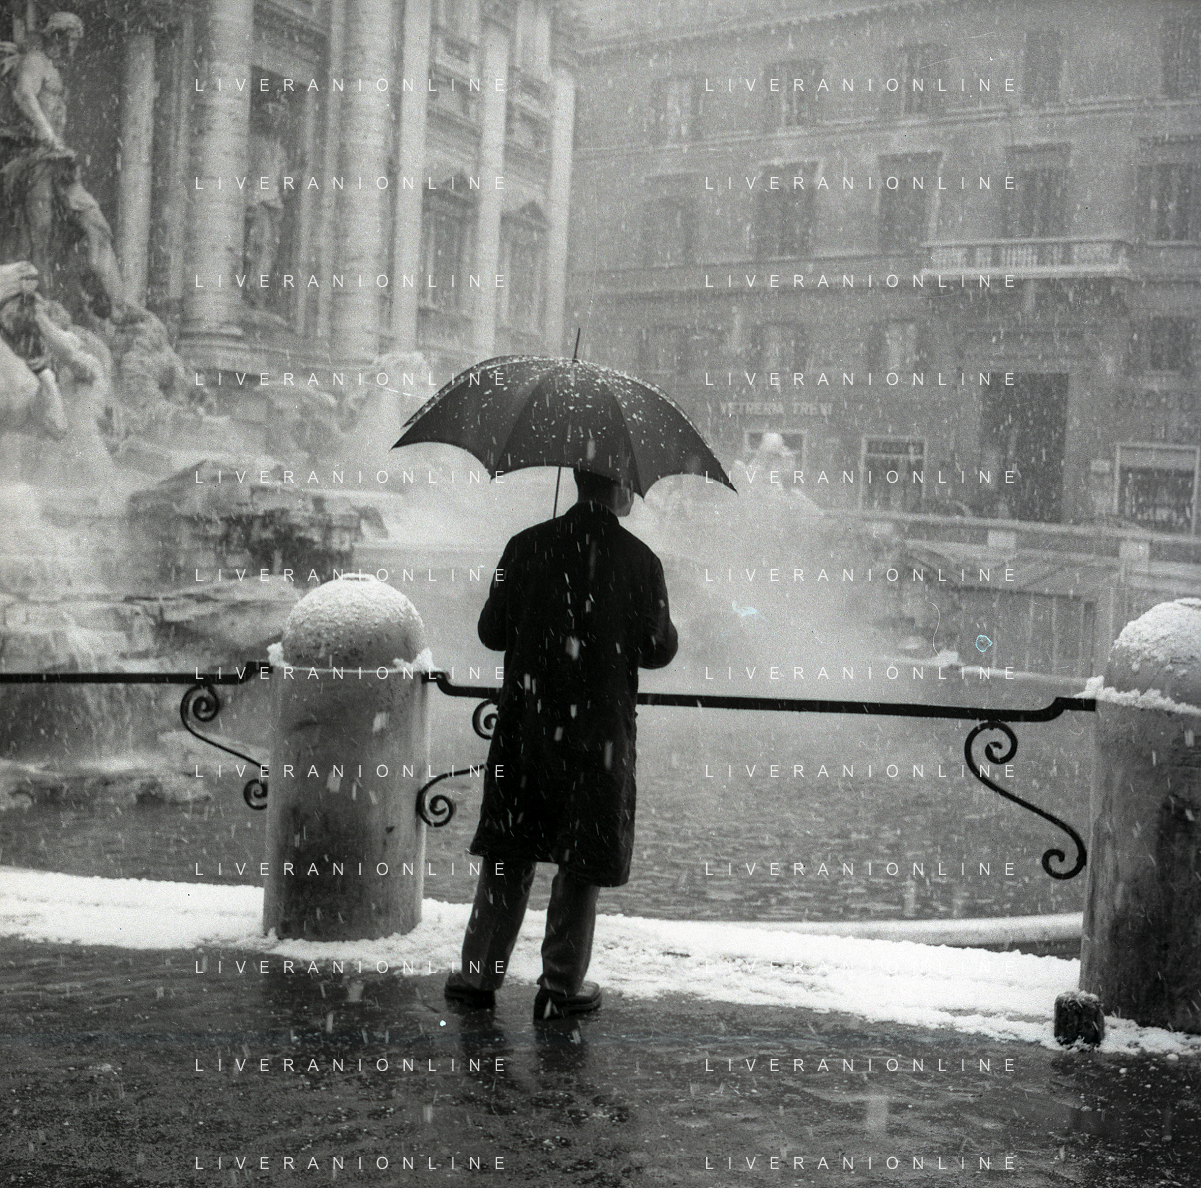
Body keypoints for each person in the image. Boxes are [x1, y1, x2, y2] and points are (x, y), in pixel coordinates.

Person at [445, 467, 678, 1021]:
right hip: (597, 737)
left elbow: (491, 631)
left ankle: (478, 976)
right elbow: (658, 648)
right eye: (630, 486)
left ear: (575, 479)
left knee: (510, 850)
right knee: (580, 859)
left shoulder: (524, 546)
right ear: (618, 488)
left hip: (527, 729)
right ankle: (560, 986)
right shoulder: (641, 561)